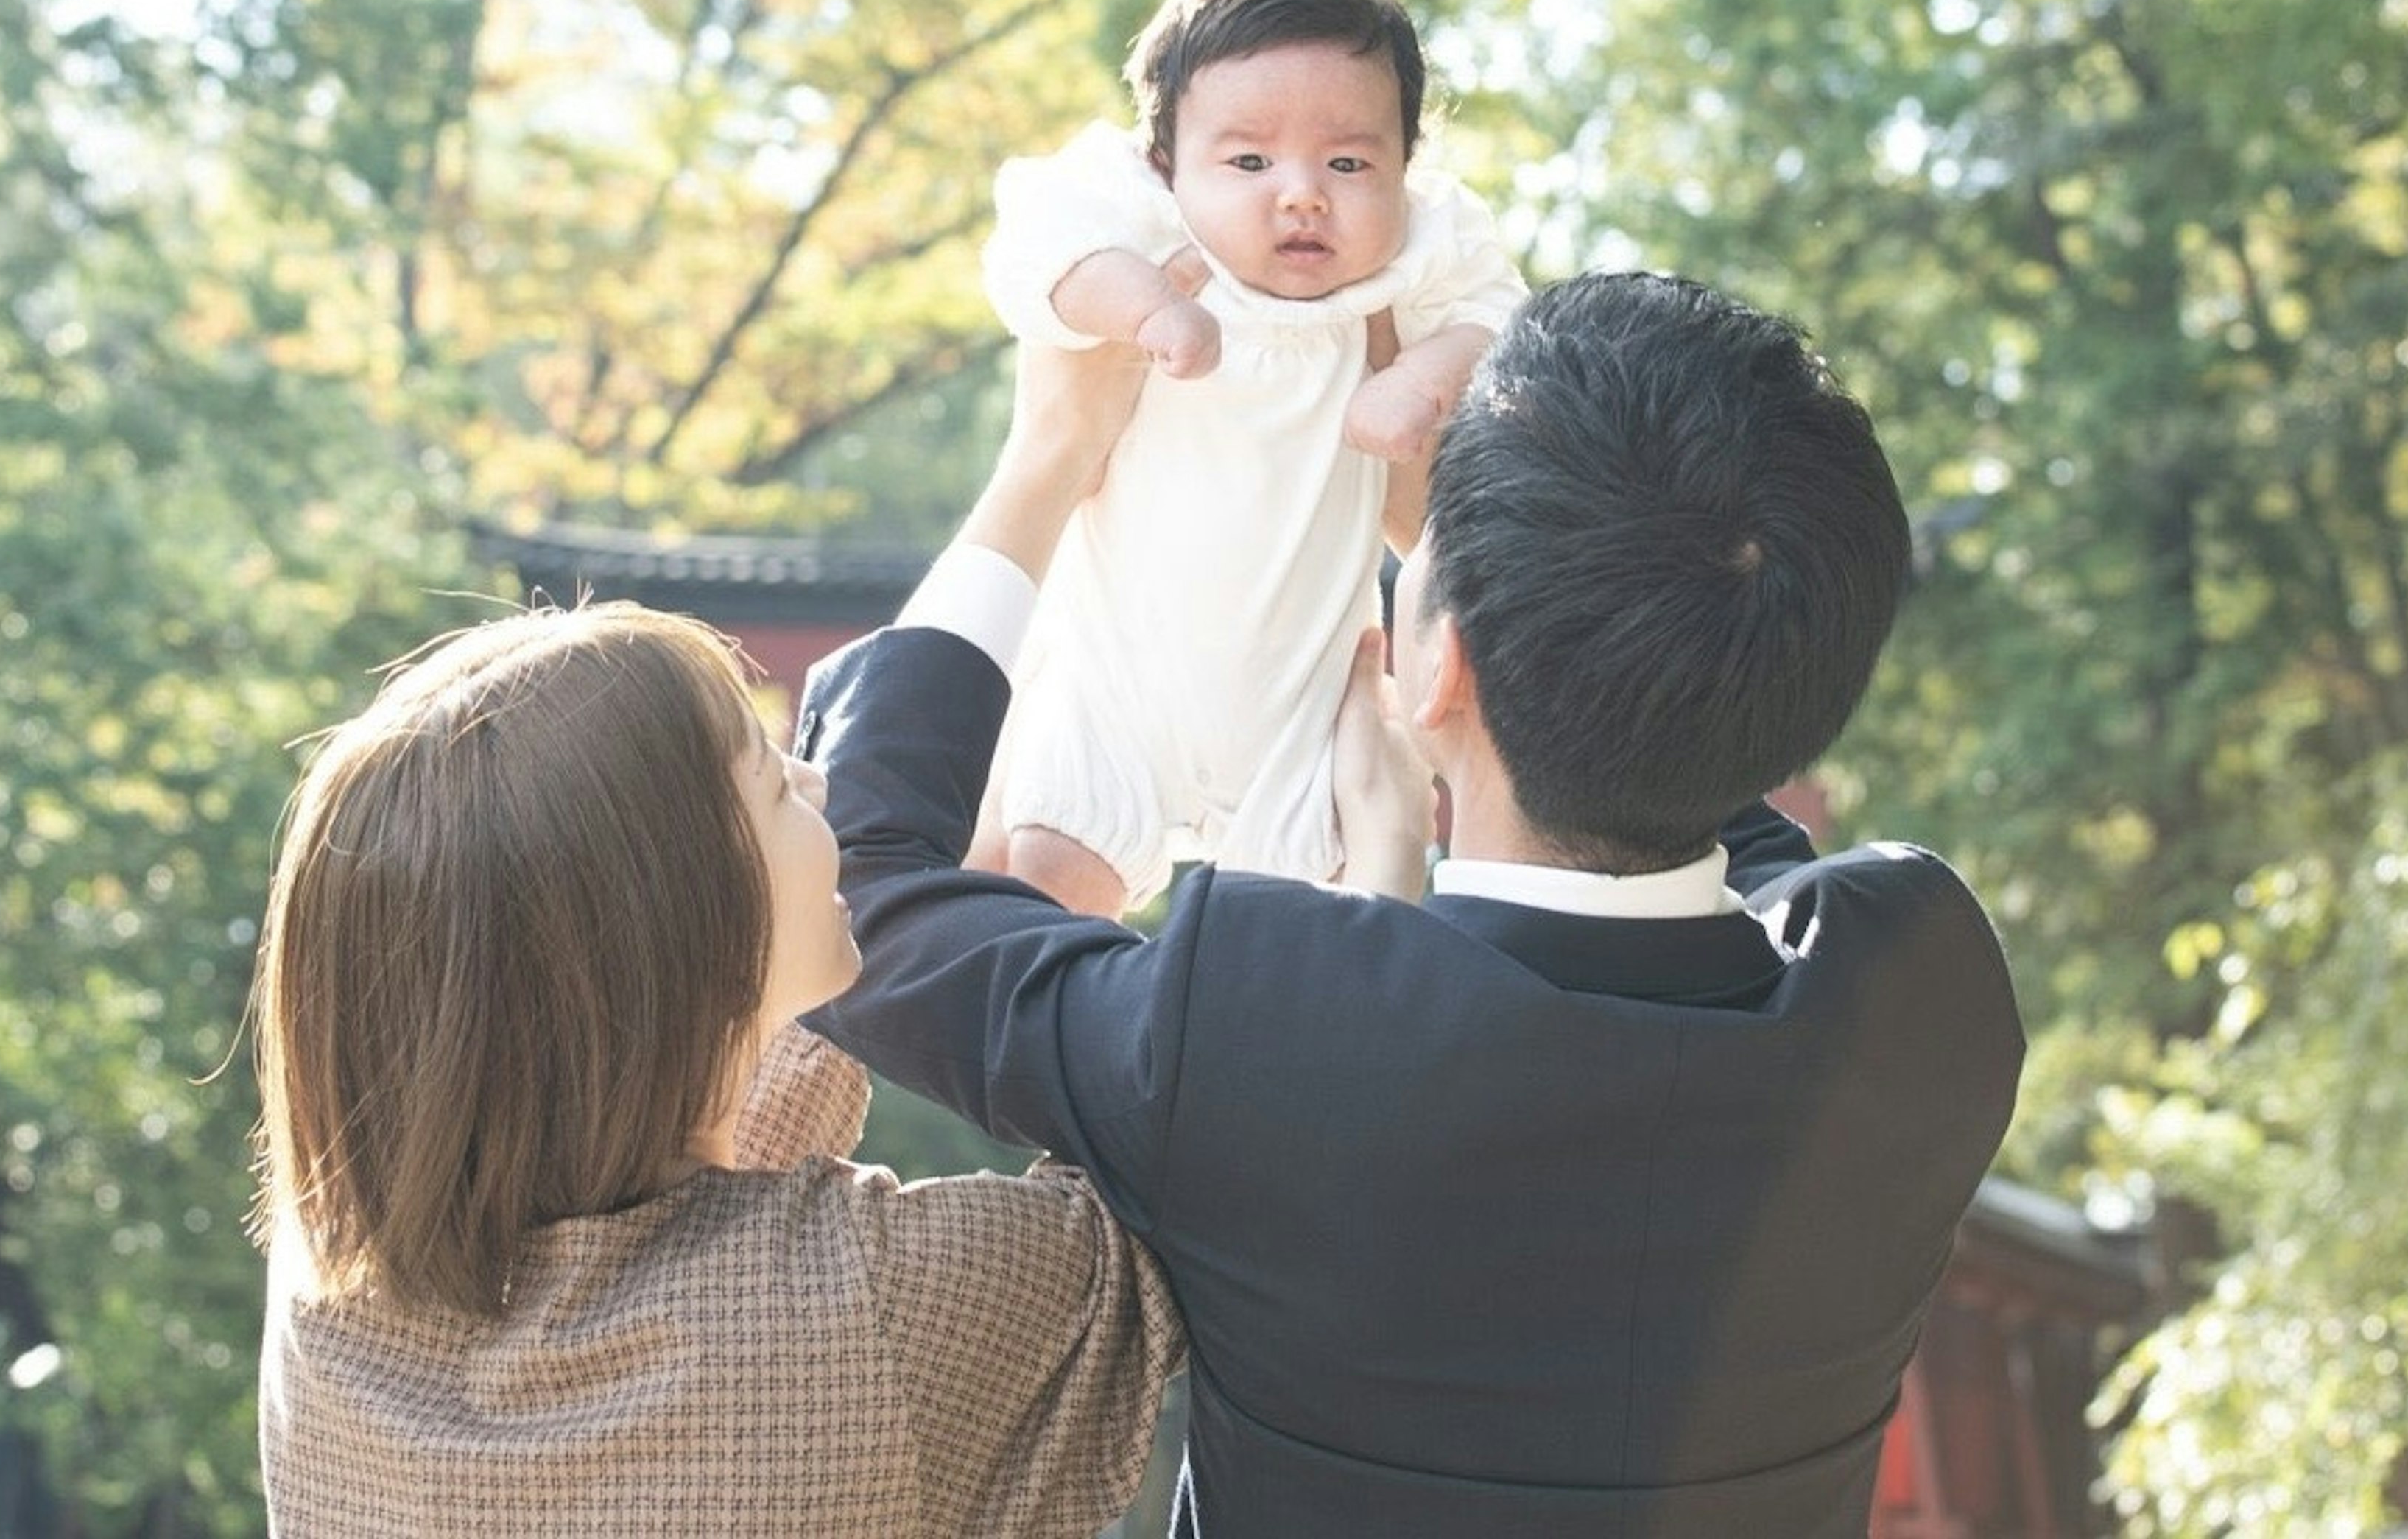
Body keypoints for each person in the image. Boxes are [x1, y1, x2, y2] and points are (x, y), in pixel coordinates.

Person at [803, 272, 2027, 1537]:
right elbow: (1700, 741)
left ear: (1440, 662)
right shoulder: (1922, 1001)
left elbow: (862, 891)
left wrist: (1047, 454)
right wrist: (1468, 611)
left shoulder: (1268, 1028)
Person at [247, 600, 1181, 1539]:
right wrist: (1035, 956)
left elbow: (704, 1224)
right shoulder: (875, 1313)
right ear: (680, 928)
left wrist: (1042, 470)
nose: (814, 781)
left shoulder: (332, 1304)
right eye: (773, 784)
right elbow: (1193, 1193)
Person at [972, 0, 1526, 917]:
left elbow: (1501, 318)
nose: (1302, 191)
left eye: (1351, 161)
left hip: (1302, 720)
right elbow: (1033, 247)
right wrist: (1145, 307)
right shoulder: (1145, 227)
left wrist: (1423, 381)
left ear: (1406, 168)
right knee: (1048, 879)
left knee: (1286, 940)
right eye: (1250, 160)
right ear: (1165, 161)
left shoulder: (1413, 264)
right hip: (1117, 691)